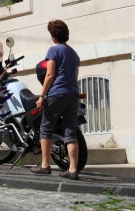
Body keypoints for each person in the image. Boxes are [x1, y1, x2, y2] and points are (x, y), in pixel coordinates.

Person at [31, 19, 81, 179]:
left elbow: (50, 74)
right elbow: (75, 75)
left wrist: (42, 96)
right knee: (70, 132)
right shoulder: (73, 53)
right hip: (73, 93)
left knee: (46, 129)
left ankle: (45, 165)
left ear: (53, 36)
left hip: (57, 93)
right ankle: (73, 169)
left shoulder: (53, 50)